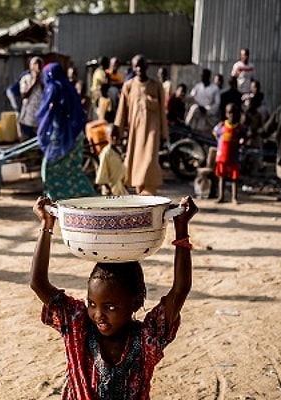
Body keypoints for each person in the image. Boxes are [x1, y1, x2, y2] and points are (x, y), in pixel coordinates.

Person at [30, 194, 198, 399]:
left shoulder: (147, 338)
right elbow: (38, 283)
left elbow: (180, 289)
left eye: (110, 307)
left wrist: (181, 228)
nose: (98, 314)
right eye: (91, 304)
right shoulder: (77, 326)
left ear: (135, 303)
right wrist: (46, 224)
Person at [36, 62, 96, 201]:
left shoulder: (53, 88)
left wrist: (42, 130)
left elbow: (46, 112)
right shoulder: (69, 87)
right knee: (74, 170)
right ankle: (86, 197)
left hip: (61, 138)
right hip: (76, 136)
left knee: (50, 170)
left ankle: (57, 202)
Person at [114, 54, 168, 196]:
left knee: (150, 163)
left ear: (147, 66)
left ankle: (148, 197)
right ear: (132, 67)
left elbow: (162, 112)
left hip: (152, 133)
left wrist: (164, 134)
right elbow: (121, 111)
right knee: (136, 167)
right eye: (136, 65)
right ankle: (142, 201)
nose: (139, 68)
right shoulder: (129, 86)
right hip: (135, 134)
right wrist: (117, 131)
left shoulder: (156, 86)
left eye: (142, 65)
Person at [213, 103, 247, 203]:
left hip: (234, 156)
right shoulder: (222, 125)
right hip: (222, 156)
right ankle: (221, 196)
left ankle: (234, 197)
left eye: (234, 112)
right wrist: (219, 141)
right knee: (222, 177)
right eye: (229, 113)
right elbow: (215, 132)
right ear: (226, 114)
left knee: (234, 178)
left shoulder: (239, 127)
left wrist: (242, 142)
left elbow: (244, 136)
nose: (231, 115)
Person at [185, 68, 220, 137]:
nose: (203, 77)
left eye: (205, 76)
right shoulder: (198, 86)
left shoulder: (215, 88)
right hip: (197, 114)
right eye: (202, 75)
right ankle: (186, 125)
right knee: (194, 108)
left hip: (207, 115)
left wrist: (206, 110)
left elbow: (217, 104)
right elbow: (192, 97)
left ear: (208, 76)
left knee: (204, 135)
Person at [95, 123, 128, 195]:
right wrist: (106, 187)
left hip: (120, 187)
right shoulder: (106, 153)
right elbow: (102, 170)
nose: (115, 138)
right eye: (112, 136)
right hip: (111, 189)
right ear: (107, 137)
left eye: (116, 135)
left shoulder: (119, 150)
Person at [18, 56, 44, 141]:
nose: (37, 66)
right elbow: (23, 95)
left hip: (40, 114)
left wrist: (40, 81)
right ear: (30, 66)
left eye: (39, 64)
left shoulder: (45, 79)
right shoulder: (26, 78)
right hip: (28, 114)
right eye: (35, 64)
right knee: (26, 138)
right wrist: (33, 83)